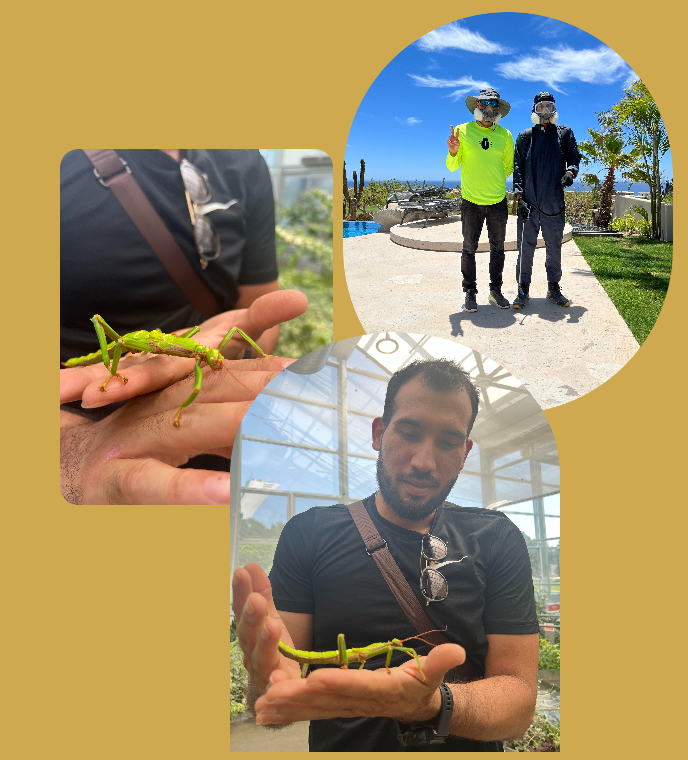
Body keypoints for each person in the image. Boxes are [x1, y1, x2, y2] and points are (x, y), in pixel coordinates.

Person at [232, 359, 540, 752]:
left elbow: (519, 702)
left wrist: (432, 704)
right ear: (379, 433)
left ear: (465, 453)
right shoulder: (309, 534)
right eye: (408, 432)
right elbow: (280, 677)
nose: (423, 463)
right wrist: (267, 682)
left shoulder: (496, 537)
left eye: (447, 442)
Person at [60, 149, 309, 502]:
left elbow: (258, 320)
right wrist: (64, 444)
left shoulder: (245, 161)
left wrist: (248, 337)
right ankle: (110, 370)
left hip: (212, 446)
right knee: (117, 347)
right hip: (86, 411)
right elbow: (158, 353)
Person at [446, 89, 514, 313]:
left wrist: (490, 179)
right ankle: (470, 293)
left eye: (494, 105)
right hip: (471, 202)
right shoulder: (462, 131)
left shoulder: (505, 135)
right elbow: (452, 166)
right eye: (484, 103)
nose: (489, 108)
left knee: (498, 249)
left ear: (498, 110)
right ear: (476, 106)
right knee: (469, 249)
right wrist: (453, 152)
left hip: (497, 202)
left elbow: (508, 167)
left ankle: (495, 291)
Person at [512, 93, 582, 309]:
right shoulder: (525, 136)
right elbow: (518, 169)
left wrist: (570, 172)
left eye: (548, 106)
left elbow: (575, 158)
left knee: (554, 248)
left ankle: (553, 288)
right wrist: (519, 196)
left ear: (554, 109)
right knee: (525, 249)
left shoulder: (565, 134)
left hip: (554, 205)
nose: (545, 110)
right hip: (529, 206)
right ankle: (523, 291)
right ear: (534, 109)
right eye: (541, 106)